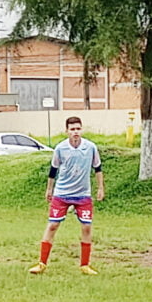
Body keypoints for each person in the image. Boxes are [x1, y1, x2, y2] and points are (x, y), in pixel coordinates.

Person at [29, 116, 104, 275]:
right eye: (72, 129)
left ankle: (85, 265)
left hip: (83, 194)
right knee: (53, 225)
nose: (75, 132)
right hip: (62, 193)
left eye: (78, 129)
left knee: (86, 226)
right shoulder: (60, 148)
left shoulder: (90, 147)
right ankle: (42, 263)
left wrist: (100, 188)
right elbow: (53, 170)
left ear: (81, 129)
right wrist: (49, 189)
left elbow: (97, 168)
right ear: (67, 131)